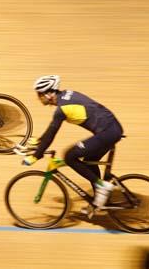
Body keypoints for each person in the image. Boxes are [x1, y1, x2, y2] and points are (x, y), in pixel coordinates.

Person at [23, 75, 124, 208]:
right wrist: (39, 141)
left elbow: (52, 133)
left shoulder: (61, 110)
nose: (38, 97)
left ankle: (102, 186)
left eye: (40, 94)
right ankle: (100, 198)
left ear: (48, 94)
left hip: (107, 132)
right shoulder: (67, 94)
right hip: (112, 128)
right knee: (89, 160)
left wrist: (36, 155)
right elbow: (49, 132)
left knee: (69, 156)